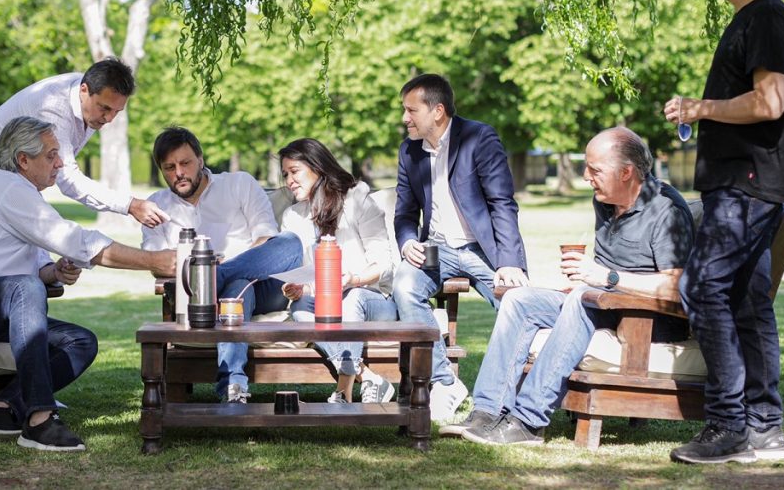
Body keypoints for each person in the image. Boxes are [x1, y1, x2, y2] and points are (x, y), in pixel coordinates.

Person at [0, 117, 171, 452]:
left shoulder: (21, 196)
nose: (60, 163)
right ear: (23, 159)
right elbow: (74, 239)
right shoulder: (3, 187)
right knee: (25, 288)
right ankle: (39, 420)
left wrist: (54, 271)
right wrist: (155, 261)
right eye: (51, 155)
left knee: (80, 342)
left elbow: (33, 270)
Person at [450, 128, 694, 445]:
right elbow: (603, 274)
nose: (585, 176)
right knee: (519, 300)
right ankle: (487, 412)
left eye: (594, 169)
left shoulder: (666, 210)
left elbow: (677, 287)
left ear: (626, 173)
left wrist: (606, 279)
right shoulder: (606, 201)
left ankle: (527, 423)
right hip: (603, 303)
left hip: (650, 319)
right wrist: (586, 280)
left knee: (582, 298)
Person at [664, 0, 784, 465]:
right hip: (749, 184)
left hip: (748, 185)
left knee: (702, 289)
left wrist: (701, 109)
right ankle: (765, 429)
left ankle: (728, 425)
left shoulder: (766, 17)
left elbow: (770, 102)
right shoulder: (756, 20)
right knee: (747, 303)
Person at [392, 73, 529, 421]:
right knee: (404, 287)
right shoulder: (409, 150)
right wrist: (408, 241)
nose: (404, 118)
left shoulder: (478, 138)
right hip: (436, 249)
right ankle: (445, 381)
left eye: (411, 110)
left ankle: (515, 393)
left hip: (483, 250)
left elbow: (502, 203)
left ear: (437, 111)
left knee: (517, 302)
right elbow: (405, 213)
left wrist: (510, 262)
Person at [141, 127, 303, 403]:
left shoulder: (239, 183)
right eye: (169, 167)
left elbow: (266, 238)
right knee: (235, 290)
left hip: (259, 285)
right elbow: (157, 264)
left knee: (290, 242)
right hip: (208, 294)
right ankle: (233, 386)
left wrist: (213, 272)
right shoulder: (156, 205)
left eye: (185, 163)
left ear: (201, 160)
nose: (178, 172)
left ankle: (216, 277)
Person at [0, 57, 168, 227]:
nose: (110, 118)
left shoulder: (88, 100)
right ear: (84, 90)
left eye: (116, 111)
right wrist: (131, 205)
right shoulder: (53, 106)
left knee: (36, 260)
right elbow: (69, 179)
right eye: (104, 108)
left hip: (15, 182)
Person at [278, 138, 397, 404]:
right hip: (325, 302)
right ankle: (368, 378)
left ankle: (343, 391)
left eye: (294, 171)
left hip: (372, 299)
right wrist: (300, 288)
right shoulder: (293, 217)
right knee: (299, 309)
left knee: (351, 297)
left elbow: (384, 264)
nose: (289, 180)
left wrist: (354, 279)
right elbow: (308, 278)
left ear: (317, 167)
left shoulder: (357, 199)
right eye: (285, 174)